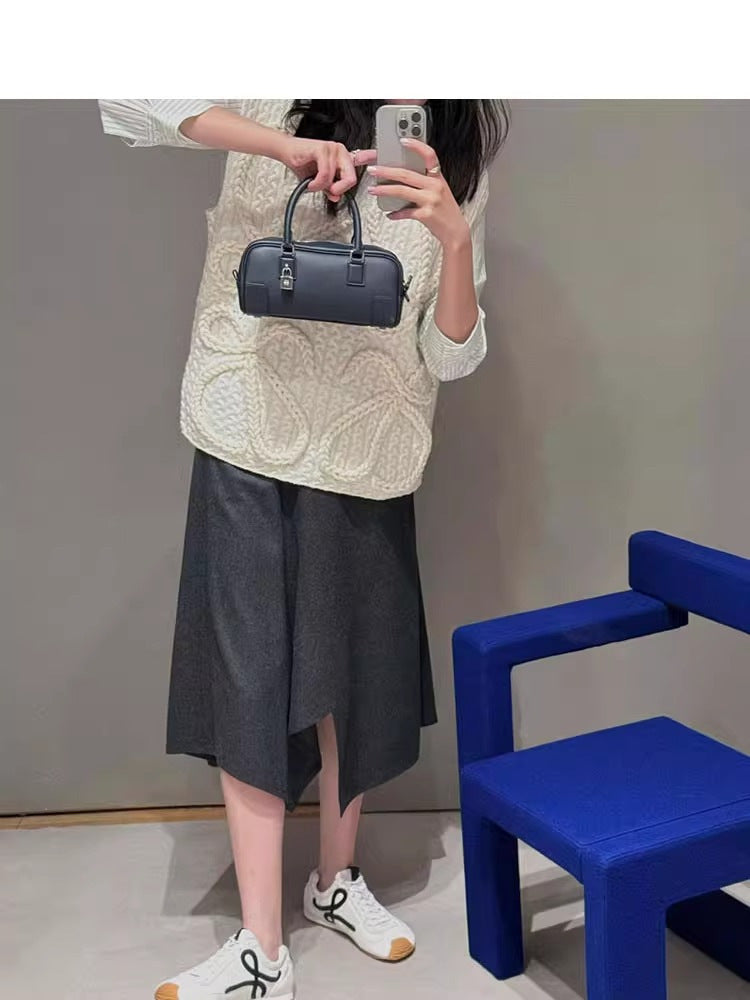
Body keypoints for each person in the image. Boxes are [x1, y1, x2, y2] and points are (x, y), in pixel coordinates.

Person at [97, 98, 509, 1000]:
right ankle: (259, 948)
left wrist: (453, 240)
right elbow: (127, 101)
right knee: (246, 677)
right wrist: (282, 146)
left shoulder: (453, 152)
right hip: (244, 424)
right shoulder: (272, 85)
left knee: (351, 680)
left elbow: (451, 357)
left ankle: (334, 883)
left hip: (369, 447)